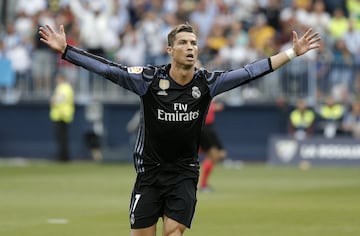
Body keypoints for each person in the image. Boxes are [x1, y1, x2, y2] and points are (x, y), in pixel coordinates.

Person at [39, 23, 320, 236]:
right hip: (149, 172)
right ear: (170, 50)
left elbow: (250, 71)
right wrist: (67, 51)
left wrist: (292, 53)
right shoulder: (148, 79)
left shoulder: (207, 82)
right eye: (183, 42)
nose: (190, 47)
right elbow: (110, 70)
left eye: (194, 43)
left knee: (173, 232)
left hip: (184, 173)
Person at [199, 100, 226, 192]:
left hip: (208, 128)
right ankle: (203, 185)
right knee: (214, 156)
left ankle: (203, 184)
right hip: (205, 128)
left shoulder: (209, 98)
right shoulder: (202, 96)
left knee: (218, 155)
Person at [50, 73, 75, 162]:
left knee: (62, 139)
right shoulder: (66, 87)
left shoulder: (63, 88)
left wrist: (53, 100)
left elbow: (60, 99)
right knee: (63, 138)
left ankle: (63, 157)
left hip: (62, 116)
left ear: (61, 79)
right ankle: (63, 156)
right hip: (64, 115)